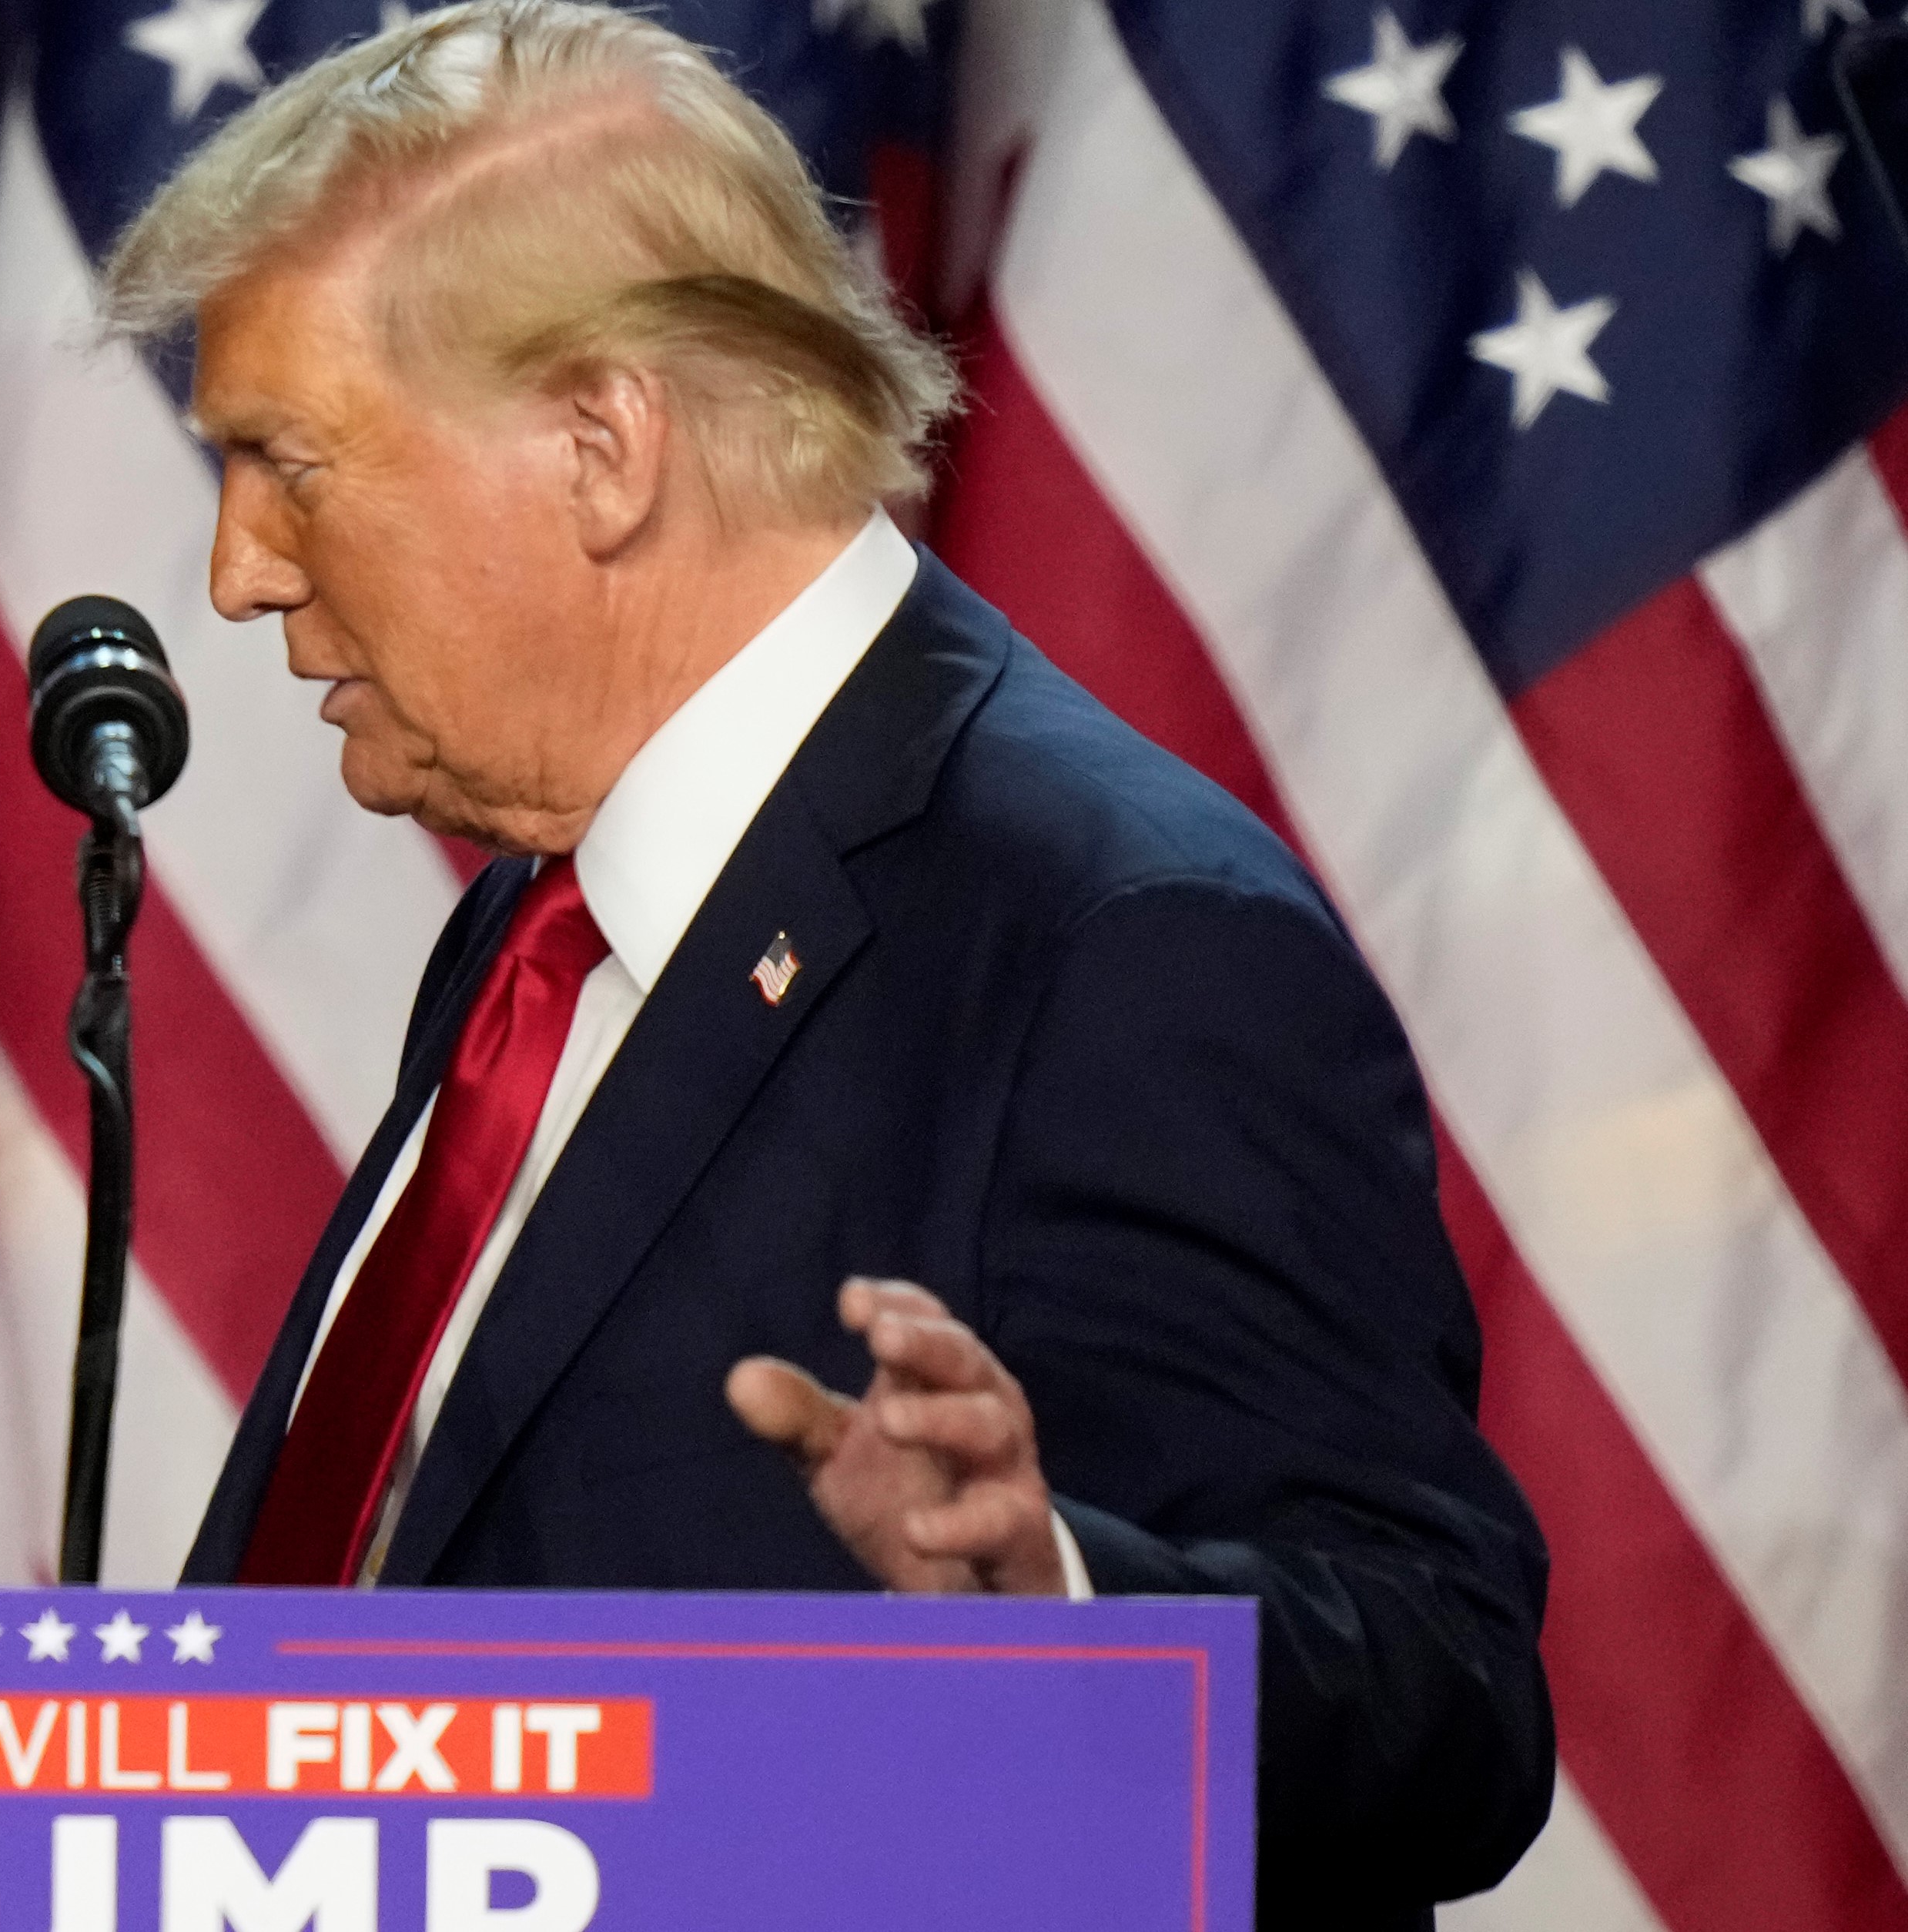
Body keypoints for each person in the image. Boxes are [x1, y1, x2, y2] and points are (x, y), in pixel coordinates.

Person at [113, 5, 1549, 1924]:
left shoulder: (1115, 935)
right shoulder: (541, 928)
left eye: (286, 459)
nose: (237, 571)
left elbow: (1443, 1693)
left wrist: (1059, 1605)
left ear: (602, 443)